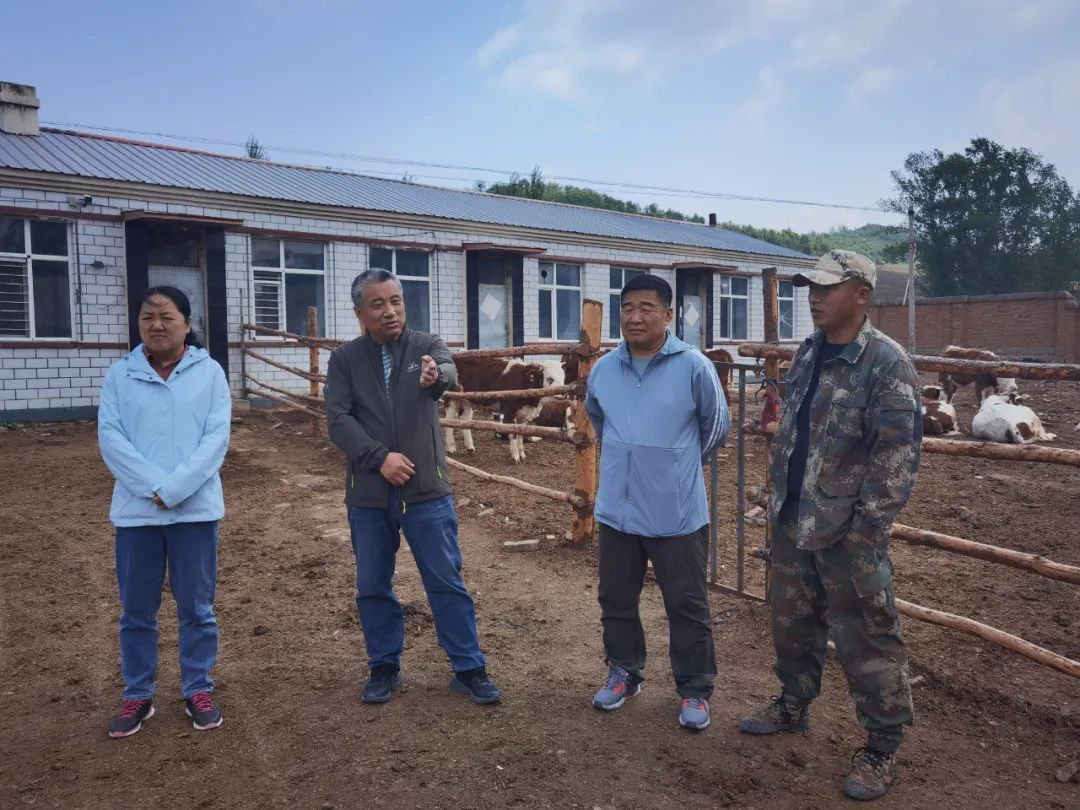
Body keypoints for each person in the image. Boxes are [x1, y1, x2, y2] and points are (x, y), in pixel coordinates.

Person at [739, 251, 921, 801]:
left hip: (848, 532)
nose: (814, 297)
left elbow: (896, 459)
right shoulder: (809, 351)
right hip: (794, 517)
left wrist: (866, 531)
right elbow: (795, 433)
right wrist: (779, 501)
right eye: (810, 288)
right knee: (792, 621)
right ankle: (793, 704)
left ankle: (881, 746)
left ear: (862, 294)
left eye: (826, 288)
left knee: (866, 635)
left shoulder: (886, 363)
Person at [325, 268, 501, 705]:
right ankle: (384, 666)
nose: (390, 311)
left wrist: (435, 377)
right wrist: (378, 458)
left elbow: (447, 372)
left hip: (425, 490)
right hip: (368, 493)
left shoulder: (426, 346)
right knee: (372, 584)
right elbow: (338, 420)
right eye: (378, 304)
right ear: (359, 313)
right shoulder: (345, 359)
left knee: (445, 579)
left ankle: (469, 667)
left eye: (396, 301)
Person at [585, 273, 729, 731]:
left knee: (686, 605)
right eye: (628, 307)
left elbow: (716, 427)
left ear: (668, 315)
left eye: (647, 307)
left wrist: (674, 464)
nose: (635, 316)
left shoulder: (694, 366)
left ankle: (695, 689)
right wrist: (629, 458)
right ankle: (624, 672)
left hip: (676, 512)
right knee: (616, 598)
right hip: (618, 510)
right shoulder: (605, 368)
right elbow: (598, 419)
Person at [98, 286, 231, 738]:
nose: (156, 324)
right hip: (137, 515)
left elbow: (215, 440)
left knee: (197, 608)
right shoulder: (121, 375)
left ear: (187, 324)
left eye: (166, 316)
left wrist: (174, 490)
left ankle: (198, 687)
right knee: (137, 611)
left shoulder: (209, 373)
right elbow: (111, 438)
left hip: (195, 513)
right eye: (147, 316)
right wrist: (155, 488)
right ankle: (138, 693)